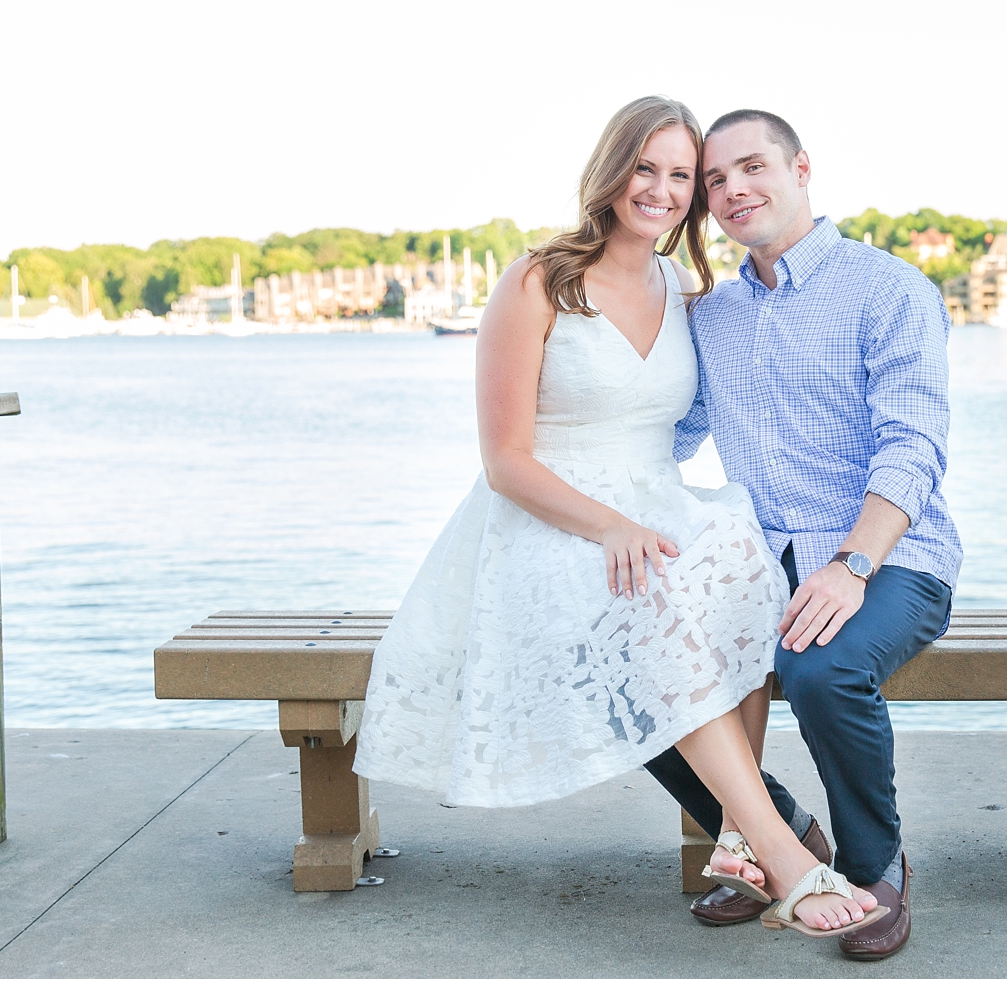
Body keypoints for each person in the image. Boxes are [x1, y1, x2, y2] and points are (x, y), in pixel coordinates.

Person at [353, 96, 881, 938]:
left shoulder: (684, 287)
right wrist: (606, 525)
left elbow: (713, 408)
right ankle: (781, 852)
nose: (664, 190)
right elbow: (505, 462)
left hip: (652, 498)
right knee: (659, 595)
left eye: (681, 175)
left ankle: (740, 838)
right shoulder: (539, 280)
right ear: (612, 171)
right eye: (647, 168)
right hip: (547, 514)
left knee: (744, 567)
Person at [644, 109, 961, 961]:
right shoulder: (711, 314)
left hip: (890, 554)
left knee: (819, 667)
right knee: (635, 673)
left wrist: (852, 565)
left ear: (801, 168)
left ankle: (875, 867)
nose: (732, 190)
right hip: (755, 553)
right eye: (713, 180)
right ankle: (777, 831)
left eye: (751, 167)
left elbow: (914, 447)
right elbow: (670, 431)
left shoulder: (889, 289)